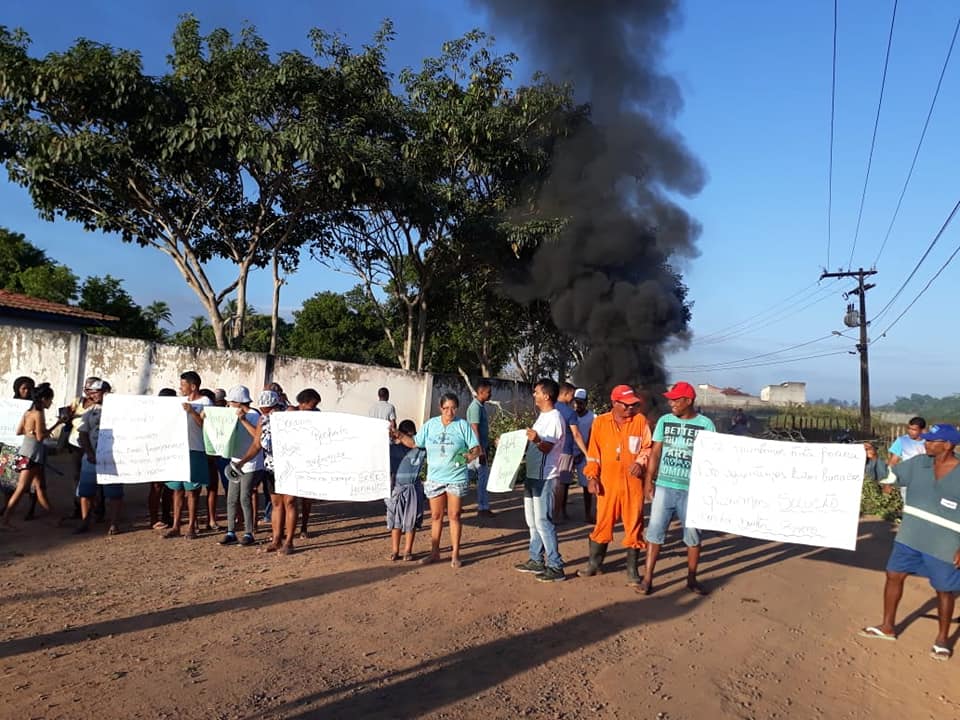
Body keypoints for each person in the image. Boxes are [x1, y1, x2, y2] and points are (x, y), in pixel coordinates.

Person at [861, 424, 960, 661]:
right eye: (926, 440)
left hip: (945, 543)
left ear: (947, 445)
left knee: (944, 590)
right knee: (894, 575)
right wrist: (873, 458)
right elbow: (890, 475)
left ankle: (942, 639)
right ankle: (887, 627)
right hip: (910, 537)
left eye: (930, 441)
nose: (925, 443)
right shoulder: (918, 464)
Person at [641, 381, 716, 596]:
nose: (671, 403)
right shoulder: (665, 421)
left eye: (676, 399)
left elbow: (711, 459)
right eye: (670, 399)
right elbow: (655, 453)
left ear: (689, 401)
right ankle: (647, 579)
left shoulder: (706, 425)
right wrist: (649, 481)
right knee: (654, 533)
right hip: (664, 486)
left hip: (692, 489)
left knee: (693, 536)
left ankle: (691, 579)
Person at [393, 393, 480, 568]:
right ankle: (435, 552)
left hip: (456, 478)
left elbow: (476, 448)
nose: (449, 411)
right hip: (435, 478)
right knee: (436, 516)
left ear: (457, 408)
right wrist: (399, 435)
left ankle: (455, 553)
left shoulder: (462, 426)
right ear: (440, 408)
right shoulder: (430, 425)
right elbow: (414, 443)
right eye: (446, 408)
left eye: (453, 408)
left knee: (454, 515)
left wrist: (470, 456)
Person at [578, 384, 651, 585]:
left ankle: (632, 570)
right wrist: (592, 477)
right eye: (626, 405)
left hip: (632, 485)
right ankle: (594, 564)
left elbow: (647, 448)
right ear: (614, 403)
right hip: (607, 484)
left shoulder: (640, 421)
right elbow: (593, 454)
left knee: (634, 523)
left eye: (633, 405)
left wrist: (640, 462)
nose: (630, 409)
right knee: (602, 523)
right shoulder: (600, 423)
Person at [514, 378, 566, 582]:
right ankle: (536, 559)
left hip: (545, 477)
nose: (534, 395)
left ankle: (556, 565)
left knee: (544, 521)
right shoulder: (543, 417)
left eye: (536, 392)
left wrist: (535, 439)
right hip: (533, 475)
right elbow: (534, 444)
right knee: (532, 521)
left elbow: (546, 447)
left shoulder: (554, 418)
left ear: (546, 395)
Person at [237, 390, 294, 553]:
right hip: (271, 467)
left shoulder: (289, 416)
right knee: (277, 504)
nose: (266, 412)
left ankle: (289, 541)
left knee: (289, 502)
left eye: (268, 409)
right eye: (264, 409)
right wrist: (242, 461)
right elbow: (257, 445)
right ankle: (276, 539)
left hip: (289, 467)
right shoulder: (263, 421)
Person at [1, 382, 66, 527]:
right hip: (32, 455)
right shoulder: (38, 413)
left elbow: (19, 431)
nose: (51, 402)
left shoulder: (28, 412)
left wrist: (30, 431)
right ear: (44, 399)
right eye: (50, 399)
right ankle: (5, 521)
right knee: (21, 489)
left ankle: (55, 517)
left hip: (27, 453)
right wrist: (57, 424)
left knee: (39, 488)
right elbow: (40, 437)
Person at [163, 371, 211, 539]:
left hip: (195, 449)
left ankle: (191, 525)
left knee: (192, 491)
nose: (180, 388)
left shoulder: (206, 402)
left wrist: (192, 412)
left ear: (193, 386)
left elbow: (205, 425)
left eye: (183, 385)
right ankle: (176, 525)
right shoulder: (179, 401)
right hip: (178, 450)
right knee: (177, 490)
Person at [75, 380, 123, 535]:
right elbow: (82, 434)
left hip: (112, 458)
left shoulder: (119, 410)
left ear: (106, 391)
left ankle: (114, 523)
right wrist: (89, 453)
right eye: (91, 392)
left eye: (96, 392)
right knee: (86, 491)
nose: (92, 395)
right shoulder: (90, 411)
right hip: (92, 457)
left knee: (114, 493)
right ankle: (85, 521)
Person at [219, 385, 262, 547]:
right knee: (231, 498)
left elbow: (256, 437)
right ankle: (231, 531)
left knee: (245, 497)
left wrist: (243, 420)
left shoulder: (254, 415)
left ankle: (248, 532)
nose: (229, 405)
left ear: (238, 402)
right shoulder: (231, 414)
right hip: (235, 461)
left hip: (250, 463)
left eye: (231, 402)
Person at [387, 419, 426, 561]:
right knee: (395, 521)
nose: (410, 438)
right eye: (407, 435)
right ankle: (395, 550)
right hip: (396, 488)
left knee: (411, 521)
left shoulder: (420, 449)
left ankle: (408, 550)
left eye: (412, 435)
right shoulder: (392, 449)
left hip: (413, 489)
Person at [553, 382, 589, 523]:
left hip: (551, 450)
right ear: (566, 394)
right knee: (562, 483)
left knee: (554, 483)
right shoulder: (569, 413)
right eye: (572, 395)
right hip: (566, 451)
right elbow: (576, 435)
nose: (573, 399)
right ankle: (556, 515)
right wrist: (587, 453)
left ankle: (553, 513)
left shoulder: (550, 408)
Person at [295, 388, 321, 538]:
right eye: (313, 404)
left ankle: (304, 527)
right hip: (293, 461)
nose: (314, 408)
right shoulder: (290, 414)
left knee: (306, 498)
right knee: (290, 499)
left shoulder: (317, 415)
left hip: (310, 462)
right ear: (303, 403)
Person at [149, 388, 177, 529]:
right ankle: (154, 518)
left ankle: (166, 516)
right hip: (157, 453)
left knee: (169, 488)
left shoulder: (177, 414)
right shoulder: (153, 415)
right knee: (157, 487)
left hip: (172, 452)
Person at [467, 379, 495, 518]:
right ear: (481, 392)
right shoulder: (475, 407)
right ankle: (483, 507)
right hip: (477, 448)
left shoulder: (480, 406)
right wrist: (480, 450)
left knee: (469, 475)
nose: (490, 394)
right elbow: (474, 428)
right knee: (482, 477)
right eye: (488, 392)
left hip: (479, 447)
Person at [888, 417, 927, 504]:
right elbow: (893, 462)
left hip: (926, 480)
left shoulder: (929, 442)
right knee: (908, 505)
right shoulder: (902, 441)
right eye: (909, 428)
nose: (910, 431)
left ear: (922, 430)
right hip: (908, 480)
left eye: (914, 429)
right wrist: (889, 481)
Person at [572, 388, 597, 523]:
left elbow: (593, 437)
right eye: (576, 402)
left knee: (587, 486)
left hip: (585, 454)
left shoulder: (593, 418)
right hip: (571, 453)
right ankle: (561, 511)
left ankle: (588, 513)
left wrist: (584, 453)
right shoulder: (571, 415)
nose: (577, 406)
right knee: (562, 484)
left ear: (586, 402)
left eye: (580, 403)